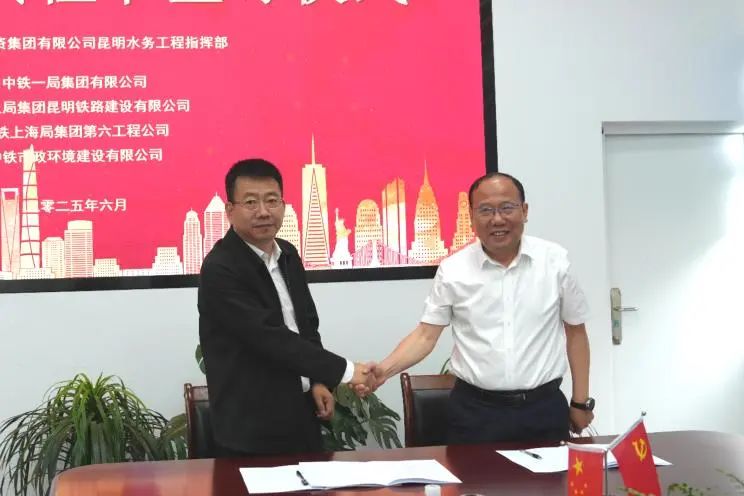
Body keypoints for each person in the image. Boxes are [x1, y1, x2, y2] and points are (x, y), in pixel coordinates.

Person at [360, 172, 594, 443]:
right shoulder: (453, 270)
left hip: (543, 409)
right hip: (475, 414)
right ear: (471, 216)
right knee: (471, 474)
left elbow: (576, 332)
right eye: (485, 210)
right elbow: (425, 336)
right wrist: (384, 371)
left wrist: (580, 402)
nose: (497, 219)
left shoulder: (555, 262)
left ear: (525, 211)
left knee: (553, 473)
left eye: (507, 207)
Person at [198, 158, 370, 457]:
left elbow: (306, 325)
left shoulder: (288, 254)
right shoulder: (221, 268)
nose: (263, 211)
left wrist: (317, 381)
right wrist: (346, 371)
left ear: (283, 205)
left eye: (272, 200)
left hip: (301, 416)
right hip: (250, 428)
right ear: (230, 210)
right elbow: (269, 338)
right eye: (250, 202)